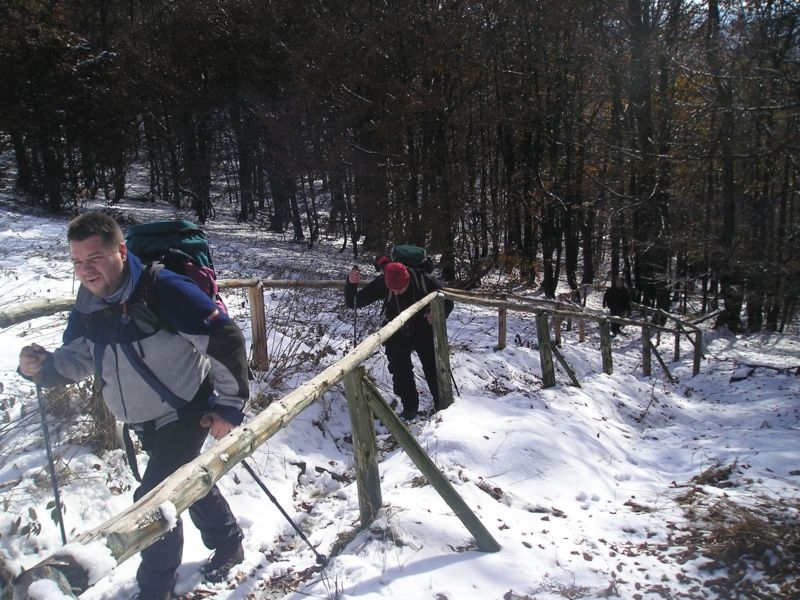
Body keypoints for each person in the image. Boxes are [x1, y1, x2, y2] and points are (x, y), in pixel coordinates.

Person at [18, 212, 248, 600]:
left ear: (122, 252)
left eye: (95, 258)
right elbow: (79, 358)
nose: (85, 270)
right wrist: (42, 369)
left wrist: (228, 407)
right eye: (77, 261)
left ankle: (155, 589)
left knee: (154, 501)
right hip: (144, 419)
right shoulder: (88, 305)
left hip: (187, 409)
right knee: (184, 480)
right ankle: (228, 541)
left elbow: (224, 337)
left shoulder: (163, 288)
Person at [345, 261, 454, 420]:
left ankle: (442, 406)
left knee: (433, 366)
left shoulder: (425, 280)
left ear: (407, 280)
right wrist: (350, 283)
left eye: (399, 289)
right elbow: (353, 302)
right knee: (399, 368)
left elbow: (447, 301)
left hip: (423, 327)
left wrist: (438, 312)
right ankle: (410, 408)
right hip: (395, 329)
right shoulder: (383, 282)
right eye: (392, 290)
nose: (395, 293)